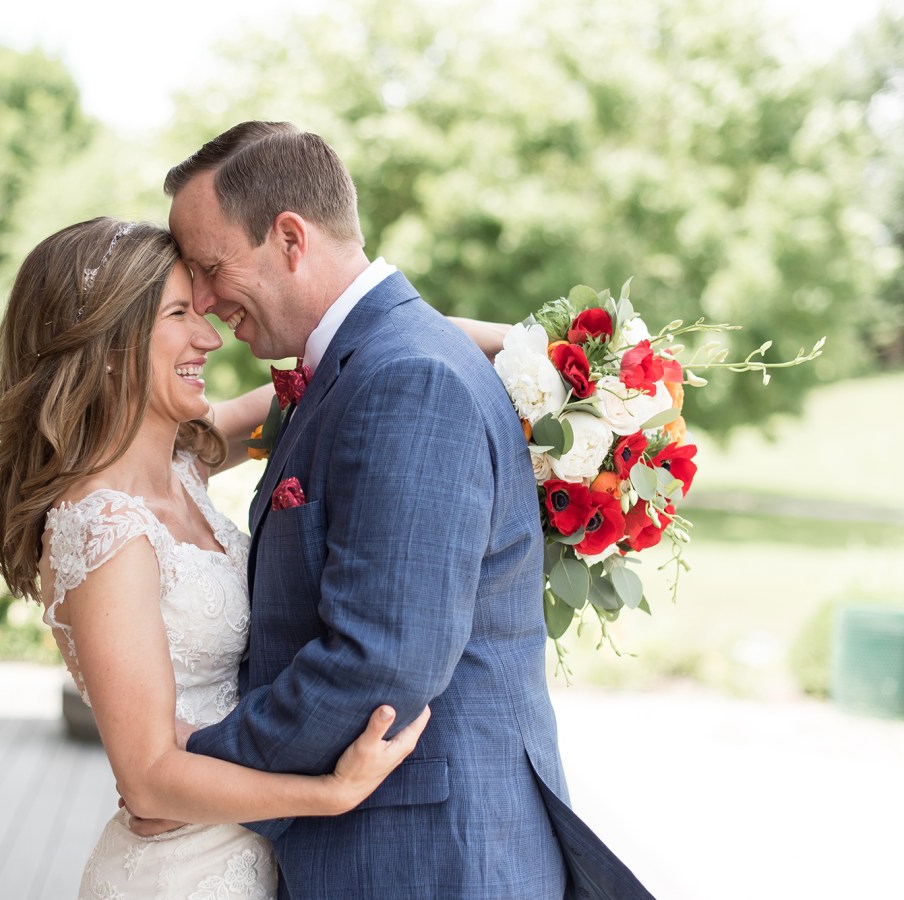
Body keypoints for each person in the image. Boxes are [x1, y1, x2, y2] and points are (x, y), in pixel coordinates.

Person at [163, 121, 654, 898]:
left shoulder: (407, 380)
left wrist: (195, 765)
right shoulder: (369, 363)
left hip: (425, 861)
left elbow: (381, 659)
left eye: (208, 265)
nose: (199, 296)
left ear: (290, 238)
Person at [0, 218, 433, 898]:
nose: (210, 337)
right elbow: (149, 778)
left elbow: (345, 365)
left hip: (242, 852)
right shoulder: (106, 530)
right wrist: (328, 793)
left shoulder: (183, 461)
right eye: (180, 314)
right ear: (107, 344)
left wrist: (517, 349)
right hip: (180, 873)